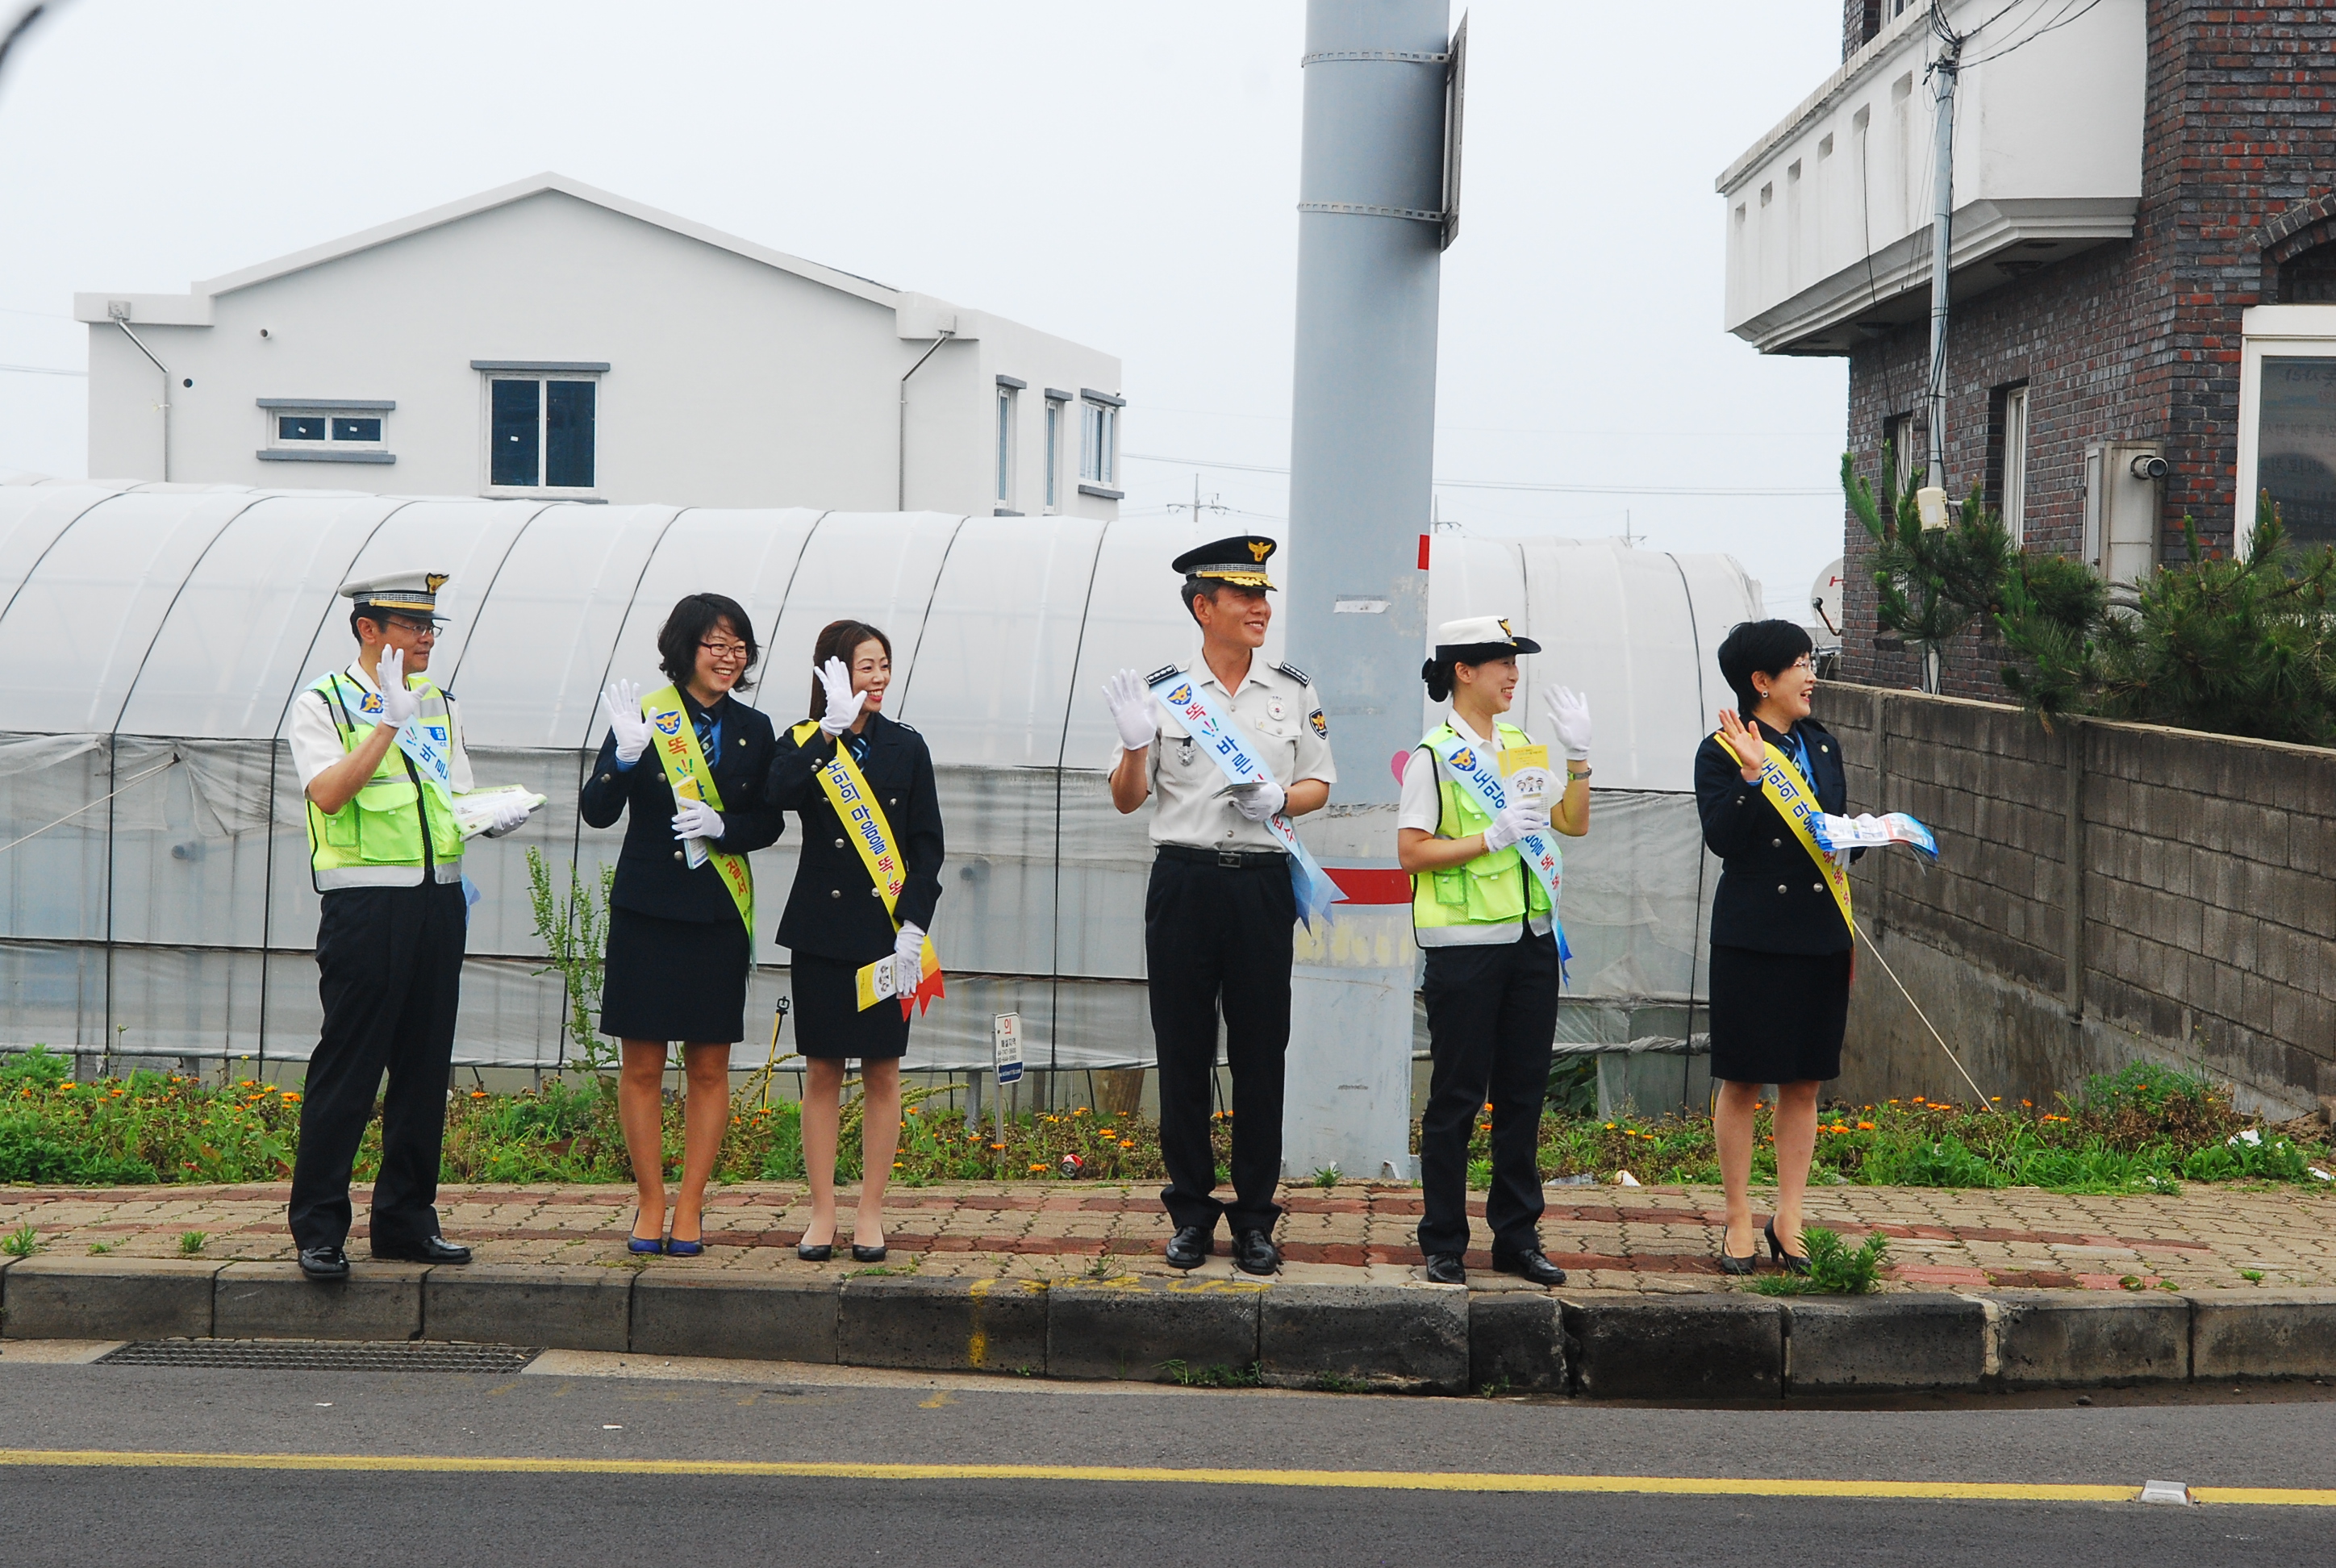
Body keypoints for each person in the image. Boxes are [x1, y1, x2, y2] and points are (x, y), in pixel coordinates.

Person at [286, 570, 537, 1280]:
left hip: (439, 900)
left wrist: (492, 813)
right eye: (410, 624)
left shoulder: (439, 704)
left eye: (431, 626)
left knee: (425, 1067)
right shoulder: (324, 703)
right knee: (350, 1066)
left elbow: (451, 795)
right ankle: (319, 1227)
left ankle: (405, 1220)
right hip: (367, 906)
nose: (426, 637)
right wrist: (388, 721)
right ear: (369, 629)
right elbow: (330, 794)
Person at [1103, 536, 1337, 1276]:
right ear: (1203, 607)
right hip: (1185, 882)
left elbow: (1319, 785)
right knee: (1183, 1051)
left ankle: (1258, 1219)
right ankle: (1192, 1214)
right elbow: (1127, 800)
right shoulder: (1164, 691)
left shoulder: (1292, 690)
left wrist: (1281, 797)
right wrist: (1136, 747)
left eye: (1264, 594)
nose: (1261, 607)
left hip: (1262, 883)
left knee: (1263, 1054)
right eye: (1244, 596)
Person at [584, 594, 782, 1257]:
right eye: (715, 645)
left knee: (708, 1065)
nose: (730, 658)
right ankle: (649, 1200)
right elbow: (597, 810)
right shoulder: (645, 718)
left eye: (739, 647)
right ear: (684, 649)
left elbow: (771, 819)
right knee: (640, 1065)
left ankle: (692, 1204)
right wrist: (624, 757)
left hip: (716, 915)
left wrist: (728, 828)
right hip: (647, 911)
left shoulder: (756, 729)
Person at [1397, 617, 1592, 1288]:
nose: (1514, 675)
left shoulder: (1519, 745)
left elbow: (1571, 823)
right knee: (1454, 1098)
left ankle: (1517, 1237)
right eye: (1502, 663)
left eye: (1516, 663)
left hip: (1533, 942)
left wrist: (1578, 758)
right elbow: (1411, 852)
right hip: (1464, 950)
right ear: (1463, 671)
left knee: (1522, 1097)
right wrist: (1491, 837)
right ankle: (1444, 1241)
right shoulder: (1434, 755)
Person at [765, 619, 943, 1264]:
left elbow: (926, 847)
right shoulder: (806, 741)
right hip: (820, 929)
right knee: (820, 1071)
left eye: (883, 666)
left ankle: (870, 1210)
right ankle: (821, 1212)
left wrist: (915, 926)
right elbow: (775, 793)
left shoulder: (907, 747)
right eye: (865, 666)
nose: (877, 678)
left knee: (882, 1072)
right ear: (833, 674)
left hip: (886, 936)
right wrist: (829, 733)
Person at [1695, 619, 1856, 1275]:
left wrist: (1868, 834)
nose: (1811, 674)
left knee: (1806, 1080)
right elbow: (1723, 839)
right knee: (1743, 1079)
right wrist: (1755, 777)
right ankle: (1737, 1217)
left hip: (1821, 932)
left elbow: (1832, 832)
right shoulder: (1722, 750)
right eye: (1800, 663)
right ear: (1761, 681)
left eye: (1810, 661)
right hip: (1754, 934)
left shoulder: (1822, 744)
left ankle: (1789, 1217)